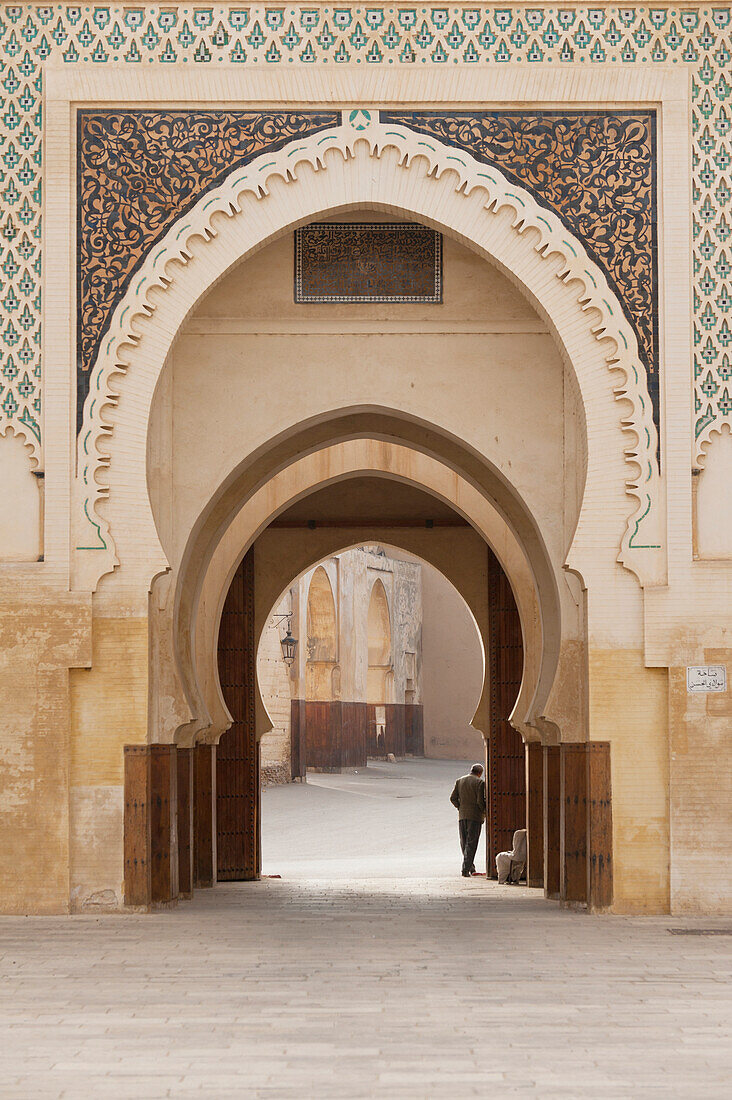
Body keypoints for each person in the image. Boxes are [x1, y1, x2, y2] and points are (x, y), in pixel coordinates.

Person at [450, 763, 486, 877]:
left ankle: (470, 867)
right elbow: (480, 802)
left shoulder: (459, 781)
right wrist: (484, 813)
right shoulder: (480, 782)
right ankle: (465, 869)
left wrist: (460, 807)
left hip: (462, 816)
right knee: (471, 843)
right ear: (480, 773)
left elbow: (453, 798)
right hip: (475, 816)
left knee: (464, 842)